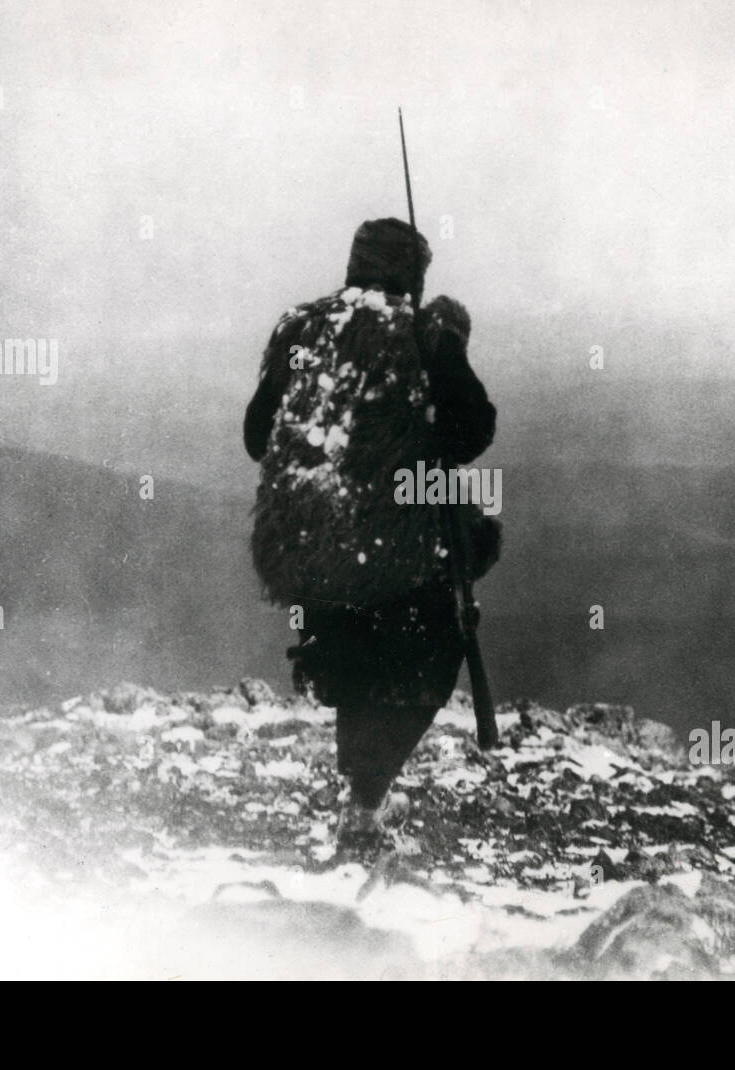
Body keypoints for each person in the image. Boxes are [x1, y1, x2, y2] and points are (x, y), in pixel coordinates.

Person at [244, 217, 497, 848]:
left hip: (300, 548)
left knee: (357, 653)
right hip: (390, 554)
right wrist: (449, 341)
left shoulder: (299, 330)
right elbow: (470, 432)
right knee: (446, 611)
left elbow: (257, 437)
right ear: (413, 273)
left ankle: (362, 794)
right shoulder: (420, 331)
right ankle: (363, 802)